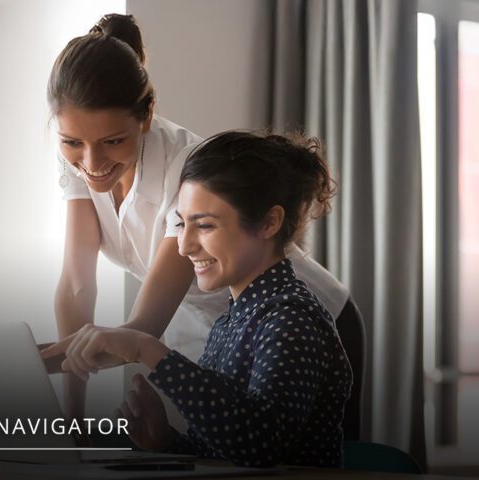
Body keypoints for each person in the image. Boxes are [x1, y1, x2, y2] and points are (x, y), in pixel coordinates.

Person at [44, 13, 350, 430]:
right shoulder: (81, 162)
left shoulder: (188, 169)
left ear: (146, 117)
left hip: (292, 319)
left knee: (288, 449)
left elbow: (143, 329)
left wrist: (26, 361)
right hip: (224, 325)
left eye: (113, 142)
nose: (92, 163)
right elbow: (77, 287)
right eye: (72, 143)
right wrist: (72, 419)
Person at [59, 131, 353, 468]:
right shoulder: (230, 322)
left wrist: (147, 349)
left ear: (270, 222)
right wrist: (165, 440)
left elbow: (263, 444)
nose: (183, 246)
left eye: (205, 226)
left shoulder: (291, 319)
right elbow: (222, 453)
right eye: (182, 224)